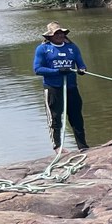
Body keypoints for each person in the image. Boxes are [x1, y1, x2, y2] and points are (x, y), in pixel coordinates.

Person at [32, 22, 89, 152]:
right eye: (56, 33)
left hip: (71, 87)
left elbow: (81, 64)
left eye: (61, 33)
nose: (60, 35)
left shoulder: (72, 47)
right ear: (50, 36)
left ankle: (82, 145)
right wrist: (57, 72)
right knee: (55, 117)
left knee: (77, 118)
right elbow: (38, 69)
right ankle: (57, 146)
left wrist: (82, 69)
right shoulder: (43, 49)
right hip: (53, 88)